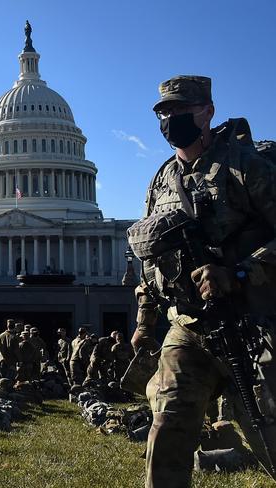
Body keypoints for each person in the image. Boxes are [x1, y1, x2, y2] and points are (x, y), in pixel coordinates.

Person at [131, 75, 276, 487]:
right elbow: (150, 260)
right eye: (164, 112)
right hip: (189, 328)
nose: (171, 118)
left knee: (267, 431)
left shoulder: (245, 167)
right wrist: (144, 321)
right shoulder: (161, 181)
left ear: (208, 112)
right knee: (169, 426)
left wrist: (240, 271)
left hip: (250, 325)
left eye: (181, 109)